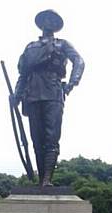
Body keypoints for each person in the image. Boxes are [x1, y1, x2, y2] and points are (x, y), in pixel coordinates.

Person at [14, 9, 84, 186]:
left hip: (53, 93)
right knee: (36, 140)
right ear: (41, 23)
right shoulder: (30, 47)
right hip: (32, 95)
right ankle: (40, 179)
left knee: (51, 138)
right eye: (46, 19)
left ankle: (47, 180)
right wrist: (17, 94)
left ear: (56, 25)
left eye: (52, 20)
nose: (49, 22)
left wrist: (71, 83)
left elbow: (79, 61)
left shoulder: (62, 45)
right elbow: (23, 74)